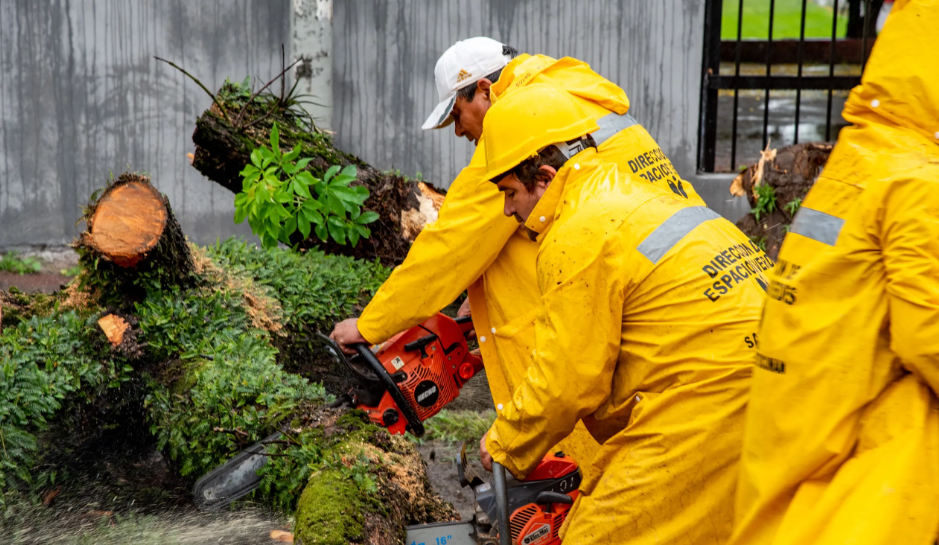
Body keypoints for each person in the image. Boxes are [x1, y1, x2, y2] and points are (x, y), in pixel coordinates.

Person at [329, 37, 702, 477]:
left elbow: (449, 247)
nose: (459, 130)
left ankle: (566, 473)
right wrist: (483, 294)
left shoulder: (519, 129)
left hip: (630, 299)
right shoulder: (573, 93)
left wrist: (371, 325)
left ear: (484, 91)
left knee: (591, 450)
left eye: (456, 114)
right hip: (679, 283)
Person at [476, 84, 768, 544]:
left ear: (547, 177)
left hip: (712, 400)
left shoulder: (577, 233)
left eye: (511, 192)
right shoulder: (635, 195)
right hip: (775, 382)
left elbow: (567, 378)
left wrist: (506, 442)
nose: (509, 209)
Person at [729, 2, 939, 544]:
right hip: (866, 479)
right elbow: (929, 339)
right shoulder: (916, 181)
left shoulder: (856, 159)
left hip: (798, 434)